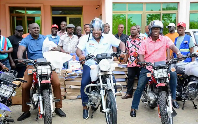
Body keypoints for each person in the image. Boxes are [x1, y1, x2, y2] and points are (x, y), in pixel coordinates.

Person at [76, 18, 126, 119]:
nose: (96, 32)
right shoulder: (85, 38)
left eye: (98, 29)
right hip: (91, 64)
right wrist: (81, 55)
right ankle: (85, 106)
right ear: (91, 29)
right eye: (94, 29)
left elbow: (121, 44)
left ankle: (110, 103)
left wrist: (123, 52)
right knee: (84, 82)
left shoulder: (109, 37)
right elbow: (78, 50)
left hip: (105, 64)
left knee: (113, 84)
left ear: (102, 29)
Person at [130, 20, 181, 117]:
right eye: (153, 29)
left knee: (173, 73)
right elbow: (141, 54)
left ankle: (173, 99)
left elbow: (173, 46)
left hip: (163, 67)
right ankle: (134, 107)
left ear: (160, 30)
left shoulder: (165, 39)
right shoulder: (145, 41)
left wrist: (178, 54)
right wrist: (142, 62)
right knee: (140, 85)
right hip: (149, 67)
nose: (155, 31)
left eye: (157, 29)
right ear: (150, 30)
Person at [17, 23, 66, 121]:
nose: (36, 29)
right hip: (32, 64)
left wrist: (56, 49)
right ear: (29, 30)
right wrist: (20, 58)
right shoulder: (26, 39)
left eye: (37, 28)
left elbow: (55, 47)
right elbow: (20, 50)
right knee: (25, 86)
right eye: (34, 28)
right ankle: (26, 111)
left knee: (56, 83)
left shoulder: (45, 38)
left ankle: (58, 107)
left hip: (47, 63)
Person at [121, 26, 141, 99]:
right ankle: (129, 93)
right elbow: (127, 51)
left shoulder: (142, 39)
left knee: (141, 78)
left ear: (137, 30)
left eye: (134, 29)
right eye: (131, 29)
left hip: (140, 63)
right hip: (131, 63)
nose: (132, 31)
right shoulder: (128, 39)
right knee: (130, 78)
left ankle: (142, 94)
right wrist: (125, 60)